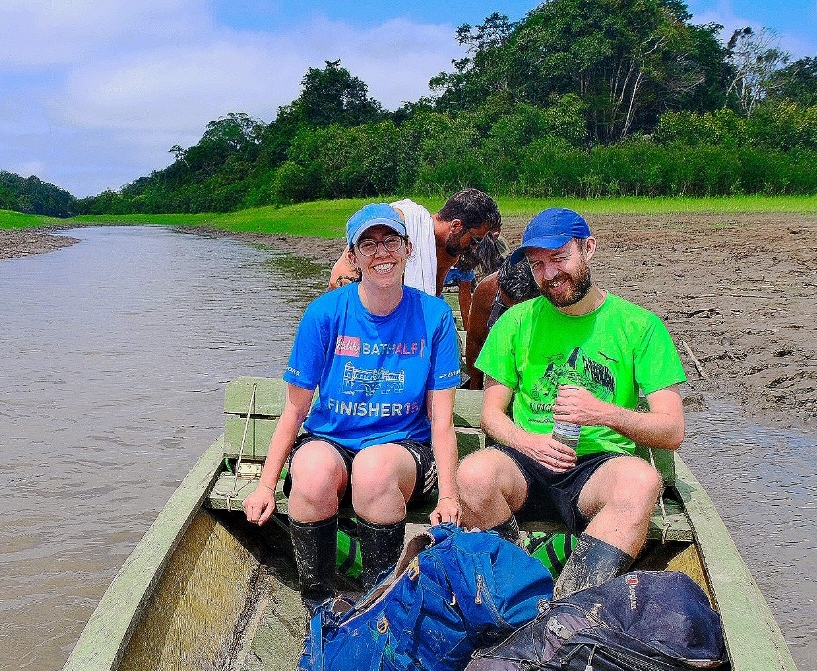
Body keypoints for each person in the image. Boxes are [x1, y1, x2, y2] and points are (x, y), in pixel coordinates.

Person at [455, 207, 686, 598]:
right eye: (537, 264)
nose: (549, 275)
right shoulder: (515, 322)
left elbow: (672, 429)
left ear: (588, 249)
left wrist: (602, 412)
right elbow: (491, 414)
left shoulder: (639, 326)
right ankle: (515, 594)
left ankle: (568, 607)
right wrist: (527, 442)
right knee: (474, 473)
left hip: (598, 466)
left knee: (642, 481)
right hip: (527, 460)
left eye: (559, 258)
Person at [245, 203, 463, 610]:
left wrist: (449, 496)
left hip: (402, 451)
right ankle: (320, 607)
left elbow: (443, 420)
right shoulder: (325, 313)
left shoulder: (434, 316)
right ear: (353, 256)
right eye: (369, 244)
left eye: (391, 241)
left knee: (374, 469)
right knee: (309, 473)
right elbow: (294, 410)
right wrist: (265, 485)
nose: (382, 253)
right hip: (331, 440)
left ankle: (378, 606)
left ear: (408, 249)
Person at [327, 189, 500, 297]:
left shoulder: (450, 254)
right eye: (475, 239)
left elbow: (432, 296)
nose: (476, 246)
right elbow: (339, 277)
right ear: (456, 225)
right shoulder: (401, 221)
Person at [464, 258, 540, 389]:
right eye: (510, 304)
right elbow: (475, 341)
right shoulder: (486, 290)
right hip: (500, 363)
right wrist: (475, 386)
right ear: (499, 284)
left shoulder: (549, 292)